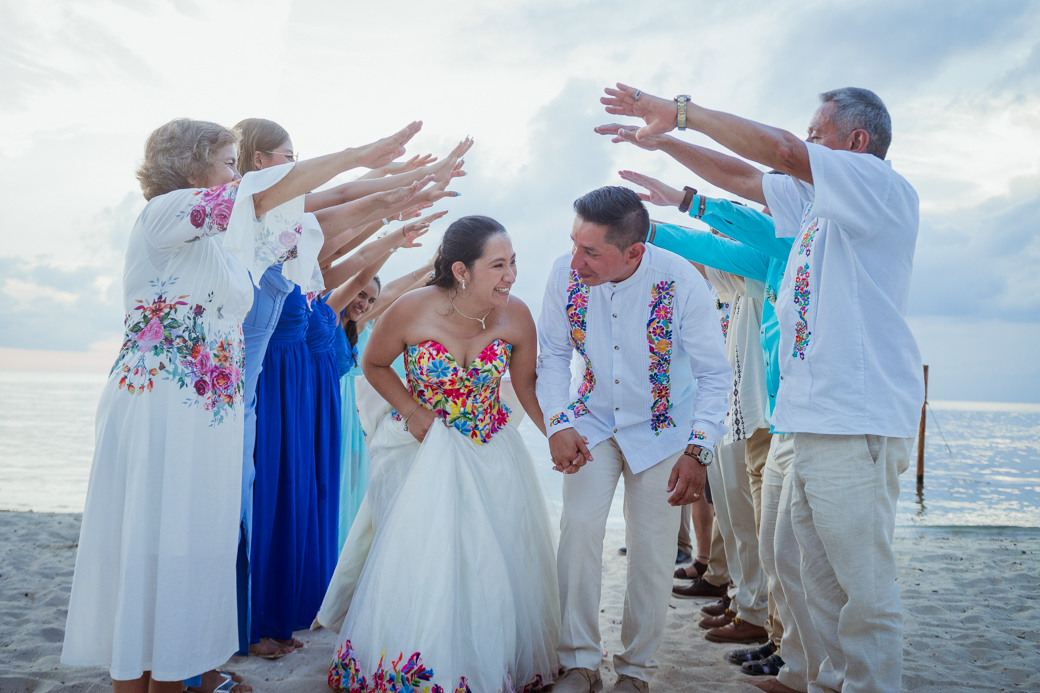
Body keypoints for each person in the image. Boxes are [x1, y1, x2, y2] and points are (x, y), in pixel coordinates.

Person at [60, 116, 423, 692]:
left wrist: (390, 200)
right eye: (229, 162)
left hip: (214, 415)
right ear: (189, 166)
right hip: (160, 407)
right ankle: (144, 681)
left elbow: (311, 221)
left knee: (197, 550)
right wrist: (360, 153)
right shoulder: (165, 214)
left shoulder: (229, 244)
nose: (238, 173)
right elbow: (271, 191)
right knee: (161, 548)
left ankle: (183, 675)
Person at [601, 84, 923, 693]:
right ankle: (819, 679)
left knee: (864, 588)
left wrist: (686, 113)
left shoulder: (879, 189)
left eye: (816, 133)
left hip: (854, 421)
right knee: (796, 566)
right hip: (803, 417)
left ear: (856, 143)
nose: (803, 144)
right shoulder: (811, 210)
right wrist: (668, 140)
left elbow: (776, 150)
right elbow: (745, 176)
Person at [326, 216, 560, 693]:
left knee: (487, 562)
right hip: (420, 452)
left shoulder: (516, 316)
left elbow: (528, 387)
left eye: (513, 263)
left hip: (490, 451)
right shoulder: (412, 310)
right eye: (498, 265)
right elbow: (371, 363)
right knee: (425, 561)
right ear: (461, 270)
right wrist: (412, 412)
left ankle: (486, 664)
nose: (511, 275)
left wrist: (557, 433)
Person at [537, 186, 731, 693]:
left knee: (652, 549)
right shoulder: (563, 274)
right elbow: (553, 356)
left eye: (591, 251)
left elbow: (714, 375)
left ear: (634, 252)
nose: (575, 260)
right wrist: (558, 423)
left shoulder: (682, 280)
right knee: (577, 529)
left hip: (666, 432)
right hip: (592, 424)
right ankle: (578, 662)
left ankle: (637, 672)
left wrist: (698, 451)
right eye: (574, 244)